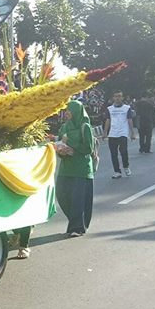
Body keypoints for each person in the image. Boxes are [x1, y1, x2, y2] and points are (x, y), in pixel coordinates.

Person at [57, 100, 96, 237]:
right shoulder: (64, 127)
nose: (67, 113)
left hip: (81, 169)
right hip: (66, 168)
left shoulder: (85, 127)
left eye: (70, 110)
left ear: (77, 111)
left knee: (78, 200)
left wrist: (71, 144)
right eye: (66, 110)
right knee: (61, 195)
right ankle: (76, 220)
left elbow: (88, 149)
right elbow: (60, 143)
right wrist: (60, 152)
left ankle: (76, 227)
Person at [103, 90, 135, 178]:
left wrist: (132, 133)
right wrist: (105, 132)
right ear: (113, 98)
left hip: (123, 133)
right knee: (113, 153)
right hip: (113, 133)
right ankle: (117, 171)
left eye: (119, 96)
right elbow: (108, 120)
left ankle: (126, 166)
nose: (117, 98)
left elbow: (129, 120)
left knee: (123, 151)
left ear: (122, 97)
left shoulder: (127, 108)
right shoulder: (110, 109)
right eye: (116, 96)